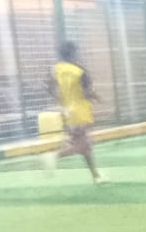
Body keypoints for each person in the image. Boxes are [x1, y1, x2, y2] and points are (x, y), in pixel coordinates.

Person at [45, 42, 104, 183]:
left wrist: (60, 100)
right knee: (81, 145)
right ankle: (53, 156)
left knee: (84, 144)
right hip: (81, 113)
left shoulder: (55, 69)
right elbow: (87, 92)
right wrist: (98, 98)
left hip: (67, 112)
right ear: (74, 53)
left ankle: (96, 176)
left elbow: (49, 87)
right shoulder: (80, 72)